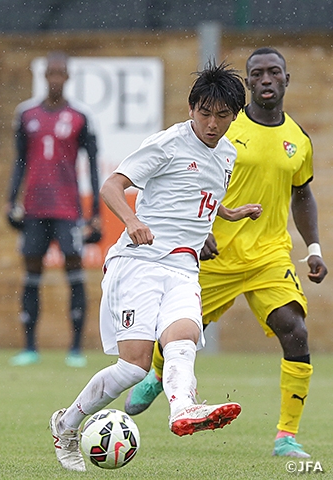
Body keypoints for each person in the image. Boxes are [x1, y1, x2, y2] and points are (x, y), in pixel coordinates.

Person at [49, 62, 263, 472]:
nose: (213, 124)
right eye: (205, 113)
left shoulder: (229, 154)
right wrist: (132, 222)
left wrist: (228, 216)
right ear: (190, 108)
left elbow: (198, 199)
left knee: (182, 340)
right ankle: (67, 423)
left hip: (184, 266)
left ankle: (184, 409)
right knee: (134, 367)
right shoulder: (167, 144)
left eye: (223, 115)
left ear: (235, 115)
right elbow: (113, 185)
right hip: (139, 262)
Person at [124, 47, 328, 459]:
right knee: (179, 329)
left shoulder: (298, 140)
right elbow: (183, 180)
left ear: (287, 79)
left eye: (275, 72)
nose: (267, 79)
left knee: (296, 329)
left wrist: (315, 248)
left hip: (269, 255)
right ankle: (157, 375)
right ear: (248, 83)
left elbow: (302, 194)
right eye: (258, 74)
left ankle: (286, 436)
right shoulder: (224, 128)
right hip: (216, 253)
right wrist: (198, 232)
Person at [6, 51, 101, 368]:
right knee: (31, 273)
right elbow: (19, 162)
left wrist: (96, 211)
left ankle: (75, 349)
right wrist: (11, 200)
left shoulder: (79, 117)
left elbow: (93, 165)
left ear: (68, 77)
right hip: (34, 207)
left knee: (74, 274)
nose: (56, 79)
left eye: (61, 73)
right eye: (51, 73)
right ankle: (29, 347)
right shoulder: (27, 115)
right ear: (44, 76)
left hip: (67, 208)